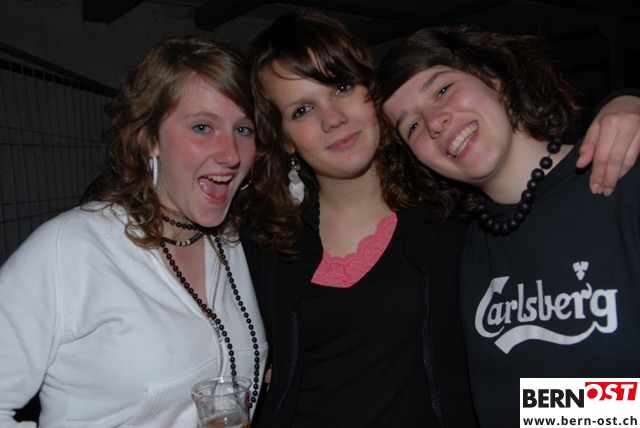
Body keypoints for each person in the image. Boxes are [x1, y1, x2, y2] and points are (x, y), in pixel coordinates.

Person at [238, 9, 640, 428]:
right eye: (302, 110)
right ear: (283, 138)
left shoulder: (452, 216)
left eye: (342, 87)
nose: (333, 118)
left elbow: (528, 400)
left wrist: (627, 102)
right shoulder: (264, 241)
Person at [375, 25, 640, 427]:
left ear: (494, 78)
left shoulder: (622, 180)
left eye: (442, 89)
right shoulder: (461, 245)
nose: (434, 122)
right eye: (411, 126)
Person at [0, 33, 267, 427]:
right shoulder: (71, 248)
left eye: (244, 130)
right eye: (202, 127)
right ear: (148, 139)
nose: (231, 154)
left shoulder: (231, 242)